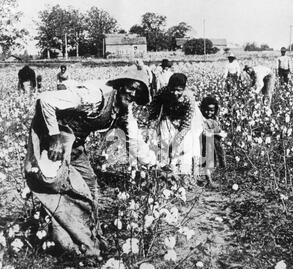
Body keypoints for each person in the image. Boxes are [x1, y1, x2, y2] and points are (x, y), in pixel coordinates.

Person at [24, 66, 156, 258]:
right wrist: (54, 138)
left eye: (138, 92)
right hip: (52, 141)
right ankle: (57, 241)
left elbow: (134, 140)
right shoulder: (96, 96)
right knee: (56, 187)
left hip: (75, 146)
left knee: (90, 185)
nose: (133, 94)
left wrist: (153, 165)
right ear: (121, 84)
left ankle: (90, 239)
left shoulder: (123, 111)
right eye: (131, 87)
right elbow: (46, 101)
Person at [147, 73, 203, 176]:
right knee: (162, 143)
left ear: (183, 88)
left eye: (179, 90)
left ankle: (183, 173)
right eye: (172, 89)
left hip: (185, 121)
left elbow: (186, 125)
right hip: (168, 117)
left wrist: (176, 141)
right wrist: (151, 129)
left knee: (184, 147)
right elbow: (154, 113)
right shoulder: (162, 92)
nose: (175, 93)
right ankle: (163, 169)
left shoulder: (189, 98)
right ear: (168, 87)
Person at [199, 96, 226, 174]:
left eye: (211, 110)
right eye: (206, 110)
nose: (209, 112)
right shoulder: (202, 120)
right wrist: (214, 132)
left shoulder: (214, 120)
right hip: (204, 141)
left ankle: (220, 165)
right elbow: (204, 131)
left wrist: (216, 132)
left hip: (214, 140)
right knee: (207, 151)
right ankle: (208, 166)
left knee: (218, 149)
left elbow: (218, 129)